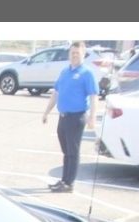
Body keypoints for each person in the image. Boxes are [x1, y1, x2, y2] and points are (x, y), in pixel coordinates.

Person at [42, 42, 98, 193]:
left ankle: (69, 183)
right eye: (72, 53)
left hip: (77, 117)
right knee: (66, 151)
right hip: (63, 116)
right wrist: (47, 111)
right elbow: (56, 93)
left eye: (77, 53)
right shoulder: (65, 72)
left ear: (83, 54)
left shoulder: (87, 73)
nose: (74, 55)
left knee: (73, 151)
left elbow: (93, 96)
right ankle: (64, 180)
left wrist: (92, 117)